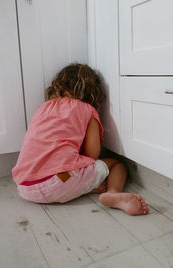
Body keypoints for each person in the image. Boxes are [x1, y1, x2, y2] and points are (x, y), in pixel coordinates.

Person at [12, 63, 148, 216]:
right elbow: (92, 155)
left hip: (24, 187)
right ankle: (113, 192)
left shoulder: (43, 108)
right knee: (117, 164)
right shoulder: (87, 110)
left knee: (71, 175)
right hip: (58, 182)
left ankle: (85, 186)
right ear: (92, 92)